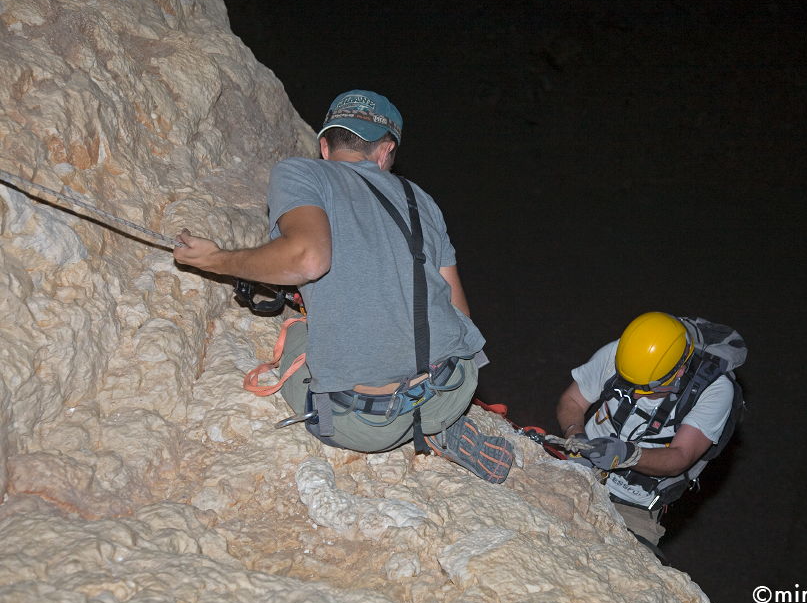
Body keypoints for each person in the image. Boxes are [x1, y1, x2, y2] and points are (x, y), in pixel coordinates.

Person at [174, 89, 513, 484]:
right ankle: (435, 422)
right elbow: (460, 314)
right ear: (386, 152)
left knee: (300, 327)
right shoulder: (420, 198)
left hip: (363, 424)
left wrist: (216, 259)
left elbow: (308, 259)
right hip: (452, 388)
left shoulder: (302, 172)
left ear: (324, 145)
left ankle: (400, 420)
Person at [556, 312, 746, 544]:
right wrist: (575, 436)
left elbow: (680, 457)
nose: (633, 394)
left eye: (645, 389)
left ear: (679, 371)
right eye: (628, 384)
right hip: (579, 471)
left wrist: (627, 455)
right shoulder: (624, 355)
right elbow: (573, 401)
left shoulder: (714, 391)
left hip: (633, 505)